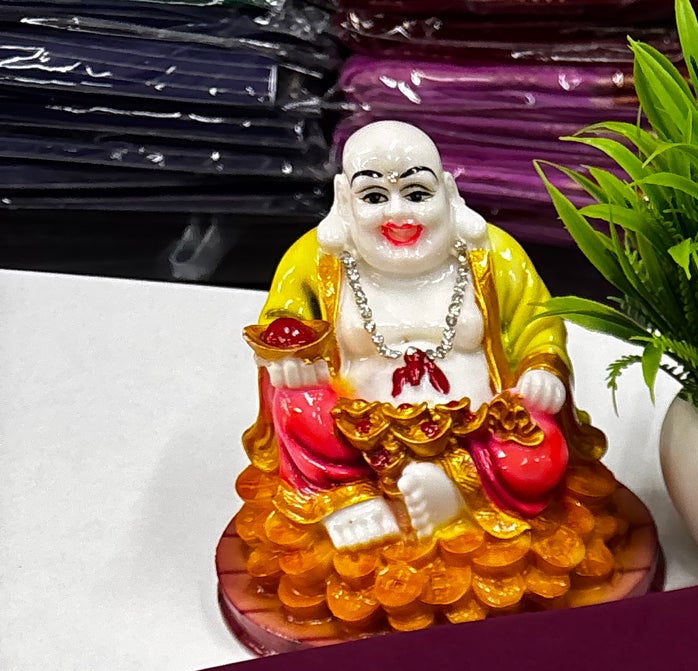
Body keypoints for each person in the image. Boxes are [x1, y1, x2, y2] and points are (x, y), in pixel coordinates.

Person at [233, 120, 630, 635]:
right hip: (355, 433)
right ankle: (351, 498)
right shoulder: (317, 259)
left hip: (479, 427)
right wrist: (288, 356)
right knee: (296, 401)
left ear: (447, 189)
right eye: (374, 196)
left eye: (416, 193)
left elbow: (538, 320)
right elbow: (281, 322)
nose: (398, 214)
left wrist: (542, 367)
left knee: (541, 449)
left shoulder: (492, 253)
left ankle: (453, 490)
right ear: (344, 198)